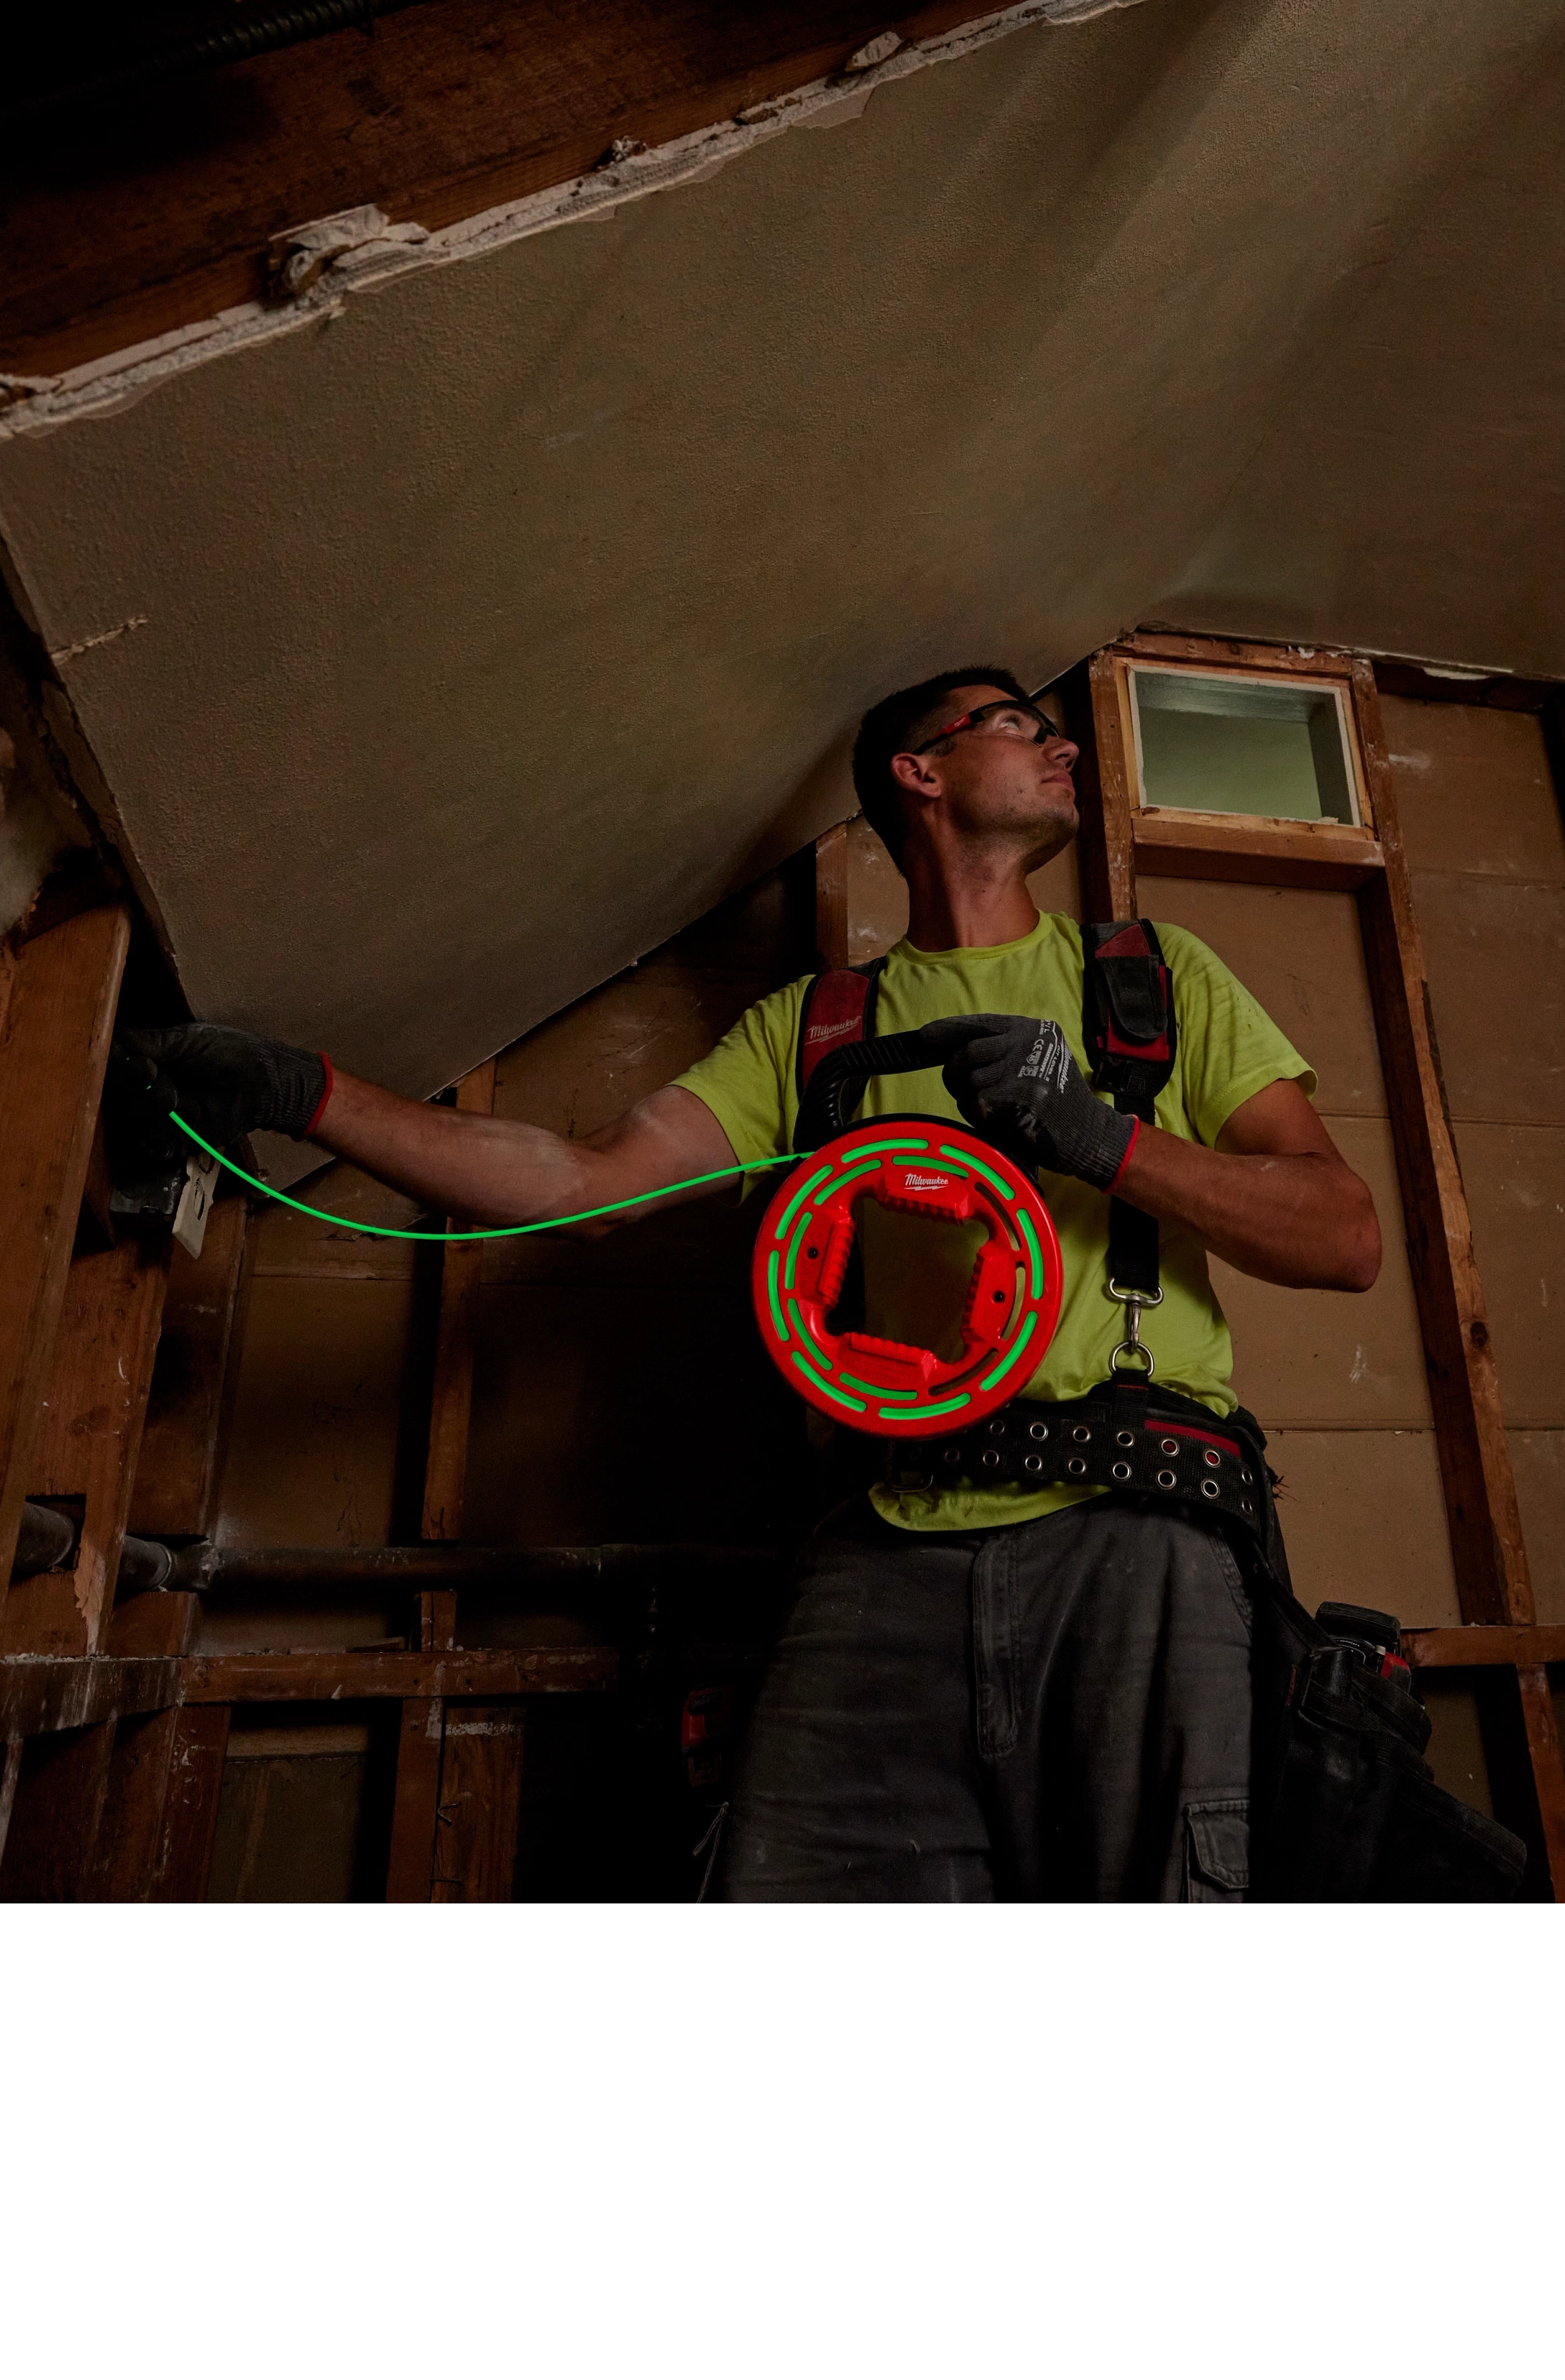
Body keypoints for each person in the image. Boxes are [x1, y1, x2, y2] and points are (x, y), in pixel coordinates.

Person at [130, 669, 1381, 1902]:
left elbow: (1344, 1237)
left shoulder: (1151, 981)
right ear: (919, 771)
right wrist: (305, 1092)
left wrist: (1097, 1134)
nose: (1062, 749)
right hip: (881, 1547)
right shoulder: (818, 1032)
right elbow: (584, 1183)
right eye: (1019, 726)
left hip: (1139, 1532)